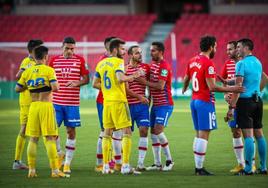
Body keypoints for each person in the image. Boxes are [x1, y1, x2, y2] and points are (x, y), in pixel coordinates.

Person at [182, 35, 244, 175]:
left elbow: (186, 78)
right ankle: (199, 168)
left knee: (198, 134)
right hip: (205, 102)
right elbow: (212, 87)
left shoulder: (192, 60)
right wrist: (232, 89)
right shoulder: (208, 62)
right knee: (204, 135)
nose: (216, 49)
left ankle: (198, 167)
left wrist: (184, 88)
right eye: (215, 46)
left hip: (194, 101)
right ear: (211, 47)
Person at [92, 38, 144, 174]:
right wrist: (135, 74)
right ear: (115, 50)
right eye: (122, 49)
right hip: (120, 102)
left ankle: (105, 166)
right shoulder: (119, 62)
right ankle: (125, 166)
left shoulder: (101, 63)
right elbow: (121, 78)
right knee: (127, 132)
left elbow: (94, 83)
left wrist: (108, 89)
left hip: (107, 103)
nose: (124, 51)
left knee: (107, 133)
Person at [15, 46, 65, 178]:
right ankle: (54, 171)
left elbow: (17, 89)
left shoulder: (27, 72)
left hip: (33, 107)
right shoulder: (49, 70)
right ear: (45, 57)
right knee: (49, 138)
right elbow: (55, 88)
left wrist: (32, 85)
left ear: (34, 56)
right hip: (46, 106)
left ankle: (31, 170)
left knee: (33, 139)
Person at [49, 37, 89, 176]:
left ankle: (67, 163)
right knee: (52, 131)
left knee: (71, 131)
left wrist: (77, 83)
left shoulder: (80, 60)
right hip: (56, 103)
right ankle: (60, 152)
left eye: (72, 48)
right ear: (62, 48)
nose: (70, 51)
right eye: (67, 48)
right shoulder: (53, 60)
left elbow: (86, 79)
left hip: (72, 104)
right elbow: (48, 78)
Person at [229, 38, 267, 175]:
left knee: (248, 136)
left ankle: (248, 169)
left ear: (246, 48)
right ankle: (264, 167)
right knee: (260, 135)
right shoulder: (258, 62)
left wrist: (231, 108)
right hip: (258, 101)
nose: (237, 49)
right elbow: (263, 79)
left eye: (238, 47)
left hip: (245, 103)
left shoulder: (241, 64)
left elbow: (239, 87)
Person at [136, 42, 174, 171]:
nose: (151, 53)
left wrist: (143, 81)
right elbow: (151, 89)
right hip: (155, 106)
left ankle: (169, 161)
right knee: (152, 133)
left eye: (154, 51)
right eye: (151, 50)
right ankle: (157, 163)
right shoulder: (152, 66)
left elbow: (160, 86)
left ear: (161, 52)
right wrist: (149, 103)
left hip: (165, 105)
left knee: (158, 130)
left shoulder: (164, 66)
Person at [12, 39, 43, 170]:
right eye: (39, 48)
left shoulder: (35, 62)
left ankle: (20, 161)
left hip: (34, 102)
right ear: (32, 50)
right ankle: (17, 161)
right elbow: (18, 75)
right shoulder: (27, 62)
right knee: (25, 130)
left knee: (31, 130)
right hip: (27, 102)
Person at [95, 36, 123, 172]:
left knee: (114, 132)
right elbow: (96, 83)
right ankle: (102, 162)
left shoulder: (115, 61)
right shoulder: (104, 61)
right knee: (106, 131)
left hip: (109, 99)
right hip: (104, 100)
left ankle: (112, 162)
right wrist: (109, 88)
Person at [220, 41, 246, 173]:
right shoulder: (227, 64)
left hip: (245, 103)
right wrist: (225, 94)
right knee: (235, 132)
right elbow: (223, 81)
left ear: (237, 49)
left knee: (247, 132)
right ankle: (240, 164)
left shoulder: (245, 63)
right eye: (227, 49)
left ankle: (250, 164)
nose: (228, 52)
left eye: (230, 49)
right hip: (232, 104)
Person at [125, 45, 150, 171]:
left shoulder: (145, 68)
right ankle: (125, 162)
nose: (140, 55)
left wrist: (149, 98)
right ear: (130, 55)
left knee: (144, 130)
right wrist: (139, 97)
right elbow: (125, 90)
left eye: (140, 53)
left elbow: (150, 83)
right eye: (136, 53)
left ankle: (140, 163)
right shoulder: (124, 69)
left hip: (142, 106)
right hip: (128, 105)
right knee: (126, 135)